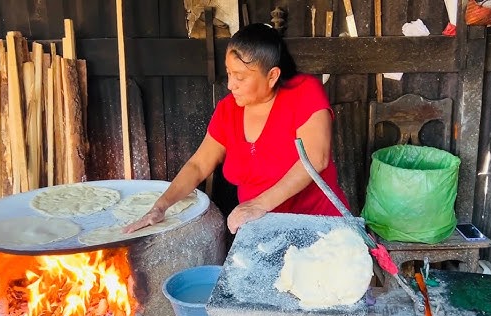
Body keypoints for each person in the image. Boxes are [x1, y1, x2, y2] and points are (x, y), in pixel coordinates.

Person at [123, 23, 349, 235]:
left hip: (319, 227)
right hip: (260, 233)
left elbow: (316, 158)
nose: (230, 85)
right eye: (229, 73)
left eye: (240, 77)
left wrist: (259, 205)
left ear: (272, 76)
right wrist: (161, 206)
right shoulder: (228, 110)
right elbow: (198, 164)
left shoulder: (304, 92)